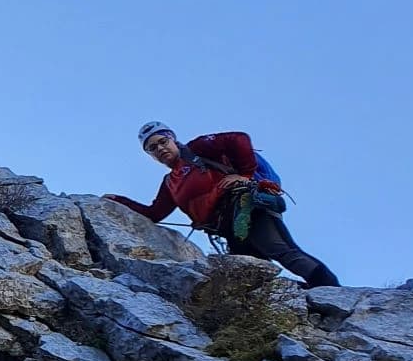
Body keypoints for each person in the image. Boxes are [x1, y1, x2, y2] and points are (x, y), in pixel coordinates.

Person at [105, 122, 338, 288]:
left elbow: (239, 139)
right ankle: (301, 301)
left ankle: (329, 290)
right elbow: (154, 213)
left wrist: (246, 175)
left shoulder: (197, 149)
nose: (160, 149)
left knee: (281, 251)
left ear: (173, 138)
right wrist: (117, 201)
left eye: (163, 141)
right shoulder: (170, 183)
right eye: (152, 148)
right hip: (229, 229)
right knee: (249, 277)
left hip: (248, 208)